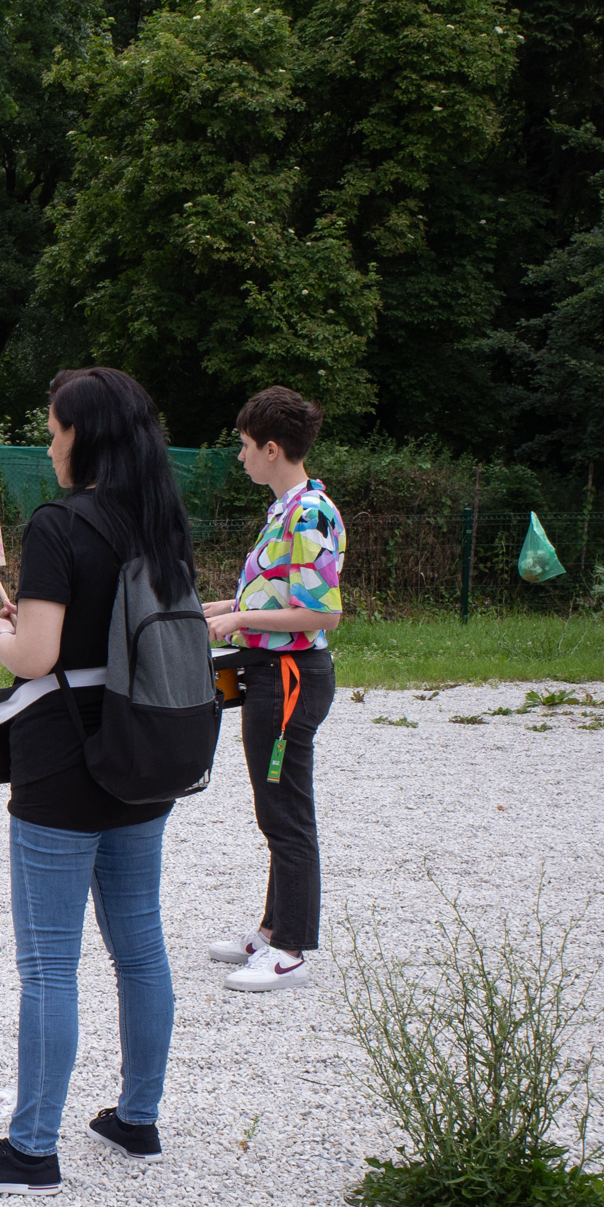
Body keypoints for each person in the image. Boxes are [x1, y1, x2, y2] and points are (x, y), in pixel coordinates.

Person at [0, 367, 196, 1193]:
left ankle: (31, 1147)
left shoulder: (59, 523)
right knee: (139, 946)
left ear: (83, 435)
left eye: (52, 432)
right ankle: (138, 1117)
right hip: (144, 746)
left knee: (49, 963)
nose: (49, 447)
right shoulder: (160, 521)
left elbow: (36, 654)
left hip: (64, 759)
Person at [203, 386, 344, 992]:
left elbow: (321, 613)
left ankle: (291, 949)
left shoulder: (309, 513)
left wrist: (237, 619)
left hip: (290, 679)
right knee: (274, 805)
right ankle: (271, 928)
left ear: (270, 448)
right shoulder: (287, 510)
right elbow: (277, 595)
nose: (240, 456)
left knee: (285, 812)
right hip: (270, 672)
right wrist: (220, 608)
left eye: (243, 445)